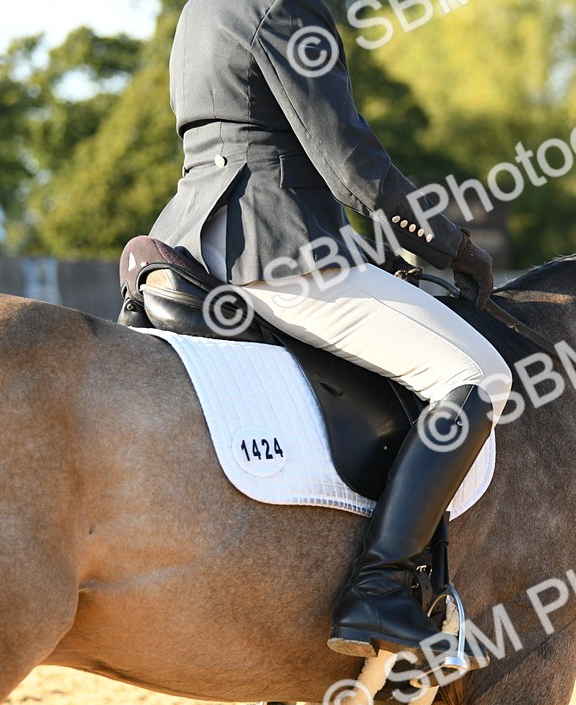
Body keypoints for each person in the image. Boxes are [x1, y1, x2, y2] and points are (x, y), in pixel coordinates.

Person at [148, 0, 512, 670]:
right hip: (275, 247)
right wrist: (449, 244)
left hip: (191, 236)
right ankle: (383, 588)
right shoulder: (288, 5)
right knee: (477, 374)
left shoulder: (202, 7)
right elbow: (350, 162)